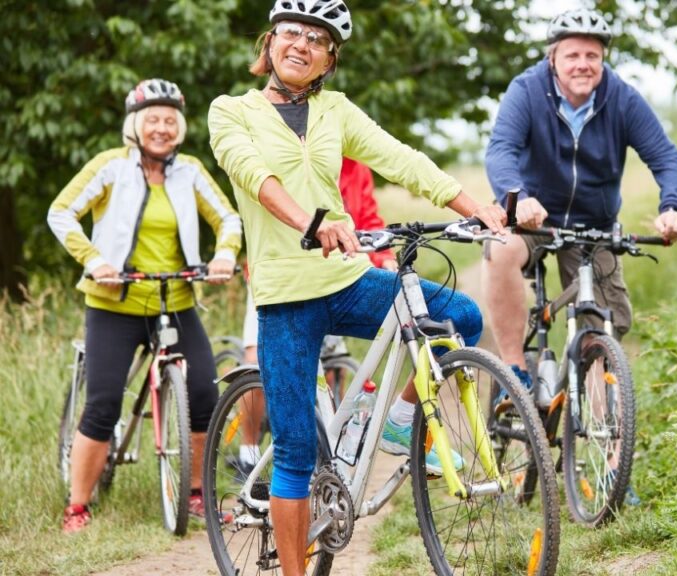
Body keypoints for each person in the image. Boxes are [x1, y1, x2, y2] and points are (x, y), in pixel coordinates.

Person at [207, 2, 504, 573]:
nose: (302, 44)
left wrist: (475, 209)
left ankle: (390, 422)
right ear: (269, 43)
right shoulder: (231, 111)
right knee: (295, 450)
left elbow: (401, 159)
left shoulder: (334, 109)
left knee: (461, 318)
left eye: (317, 39)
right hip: (286, 296)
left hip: (347, 279)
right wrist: (311, 221)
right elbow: (252, 174)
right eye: (292, 33)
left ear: (329, 59)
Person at [482, 9, 677, 503]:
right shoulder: (527, 91)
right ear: (553, 57)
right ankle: (514, 371)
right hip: (534, 218)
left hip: (594, 228)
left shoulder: (619, 97)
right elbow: (501, 150)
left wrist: (673, 208)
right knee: (500, 246)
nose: (583, 63)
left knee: (599, 337)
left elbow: (665, 157)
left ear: (603, 60)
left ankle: (612, 467)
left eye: (592, 55)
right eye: (572, 54)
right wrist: (517, 195)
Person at [48, 79, 242, 533]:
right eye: (152, 119)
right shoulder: (110, 167)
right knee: (103, 403)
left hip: (174, 298)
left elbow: (228, 216)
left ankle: (195, 495)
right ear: (134, 125)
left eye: (170, 120)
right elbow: (60, 212)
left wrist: (225, 254)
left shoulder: (190, 170)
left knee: (202, 396)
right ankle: (78, 505)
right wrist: (94, 260)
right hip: (114, 304)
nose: (161, 128)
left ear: (181, 126)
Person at [230, 158, 397, 477]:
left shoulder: (354, 167)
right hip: (282, 276)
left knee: (335, 363)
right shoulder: (292, 157)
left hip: (338, 275)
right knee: (257, 362)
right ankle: (248, 453)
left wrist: (384, 258)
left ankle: (330, 448)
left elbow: (367, 219)